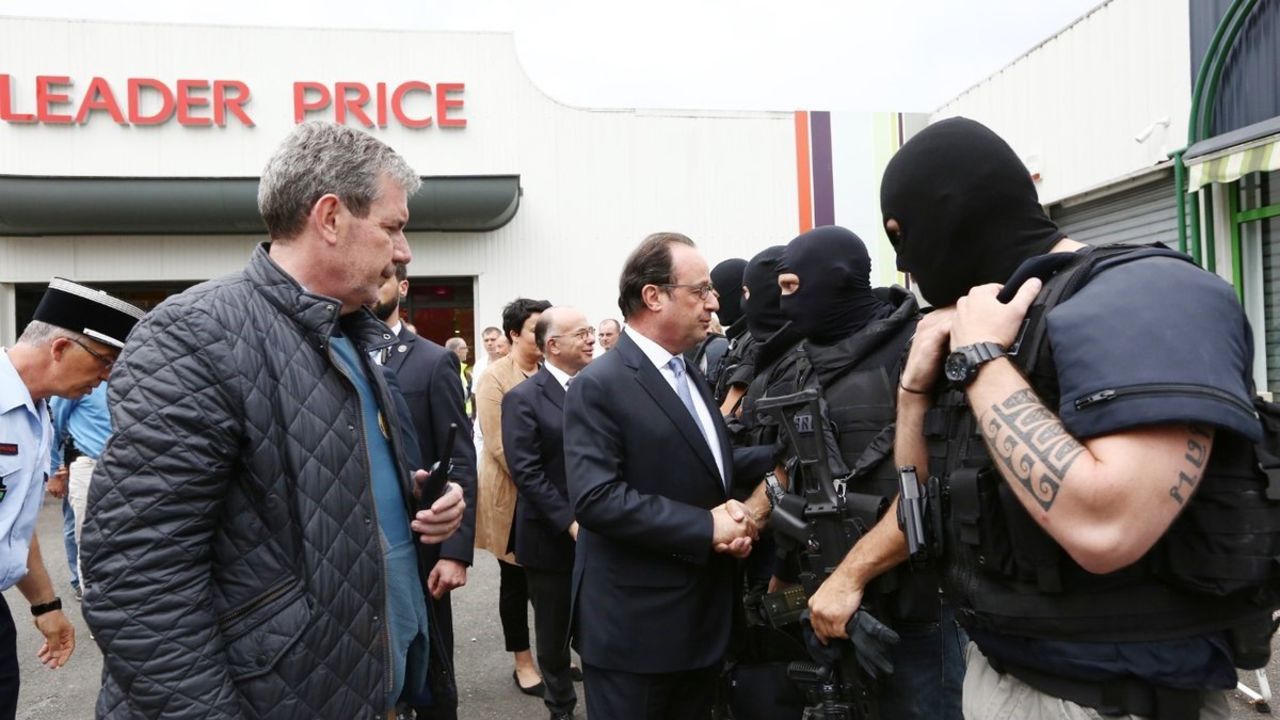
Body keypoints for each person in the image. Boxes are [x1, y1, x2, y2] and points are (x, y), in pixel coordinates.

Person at [812, 117, 1272, 720]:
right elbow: (921, 510)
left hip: (1115, 698)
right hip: (1003, 673)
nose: (903, 262)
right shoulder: (994, 319)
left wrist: (981, 361)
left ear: (954, 211)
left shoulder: (1147, 294)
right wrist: (913, 392)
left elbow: (1109, 525)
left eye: (903, 232)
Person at [82, 122, 467, 720]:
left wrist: (415, 497)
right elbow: (139, 578)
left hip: (374, 688)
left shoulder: (355, 334)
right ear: (331, 217)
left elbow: (314, 485)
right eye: (392, 227)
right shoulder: (195, 334)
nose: (403, 250)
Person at [563, 232, 777, 720]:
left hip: (698, 623)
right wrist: (709, 527)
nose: (713, 302)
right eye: (700, 290)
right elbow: (597, 499)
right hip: (637, 634)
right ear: (653, 296)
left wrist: (783, 454)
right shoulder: (599, 385)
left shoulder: (687, 373)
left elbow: (704, 461)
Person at [775, 226, 964, 718]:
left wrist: (851, 576)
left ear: (834, 280)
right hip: (832, 602)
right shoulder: (798, 364)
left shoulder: (921, 351)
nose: (783, 303)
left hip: (918, 608)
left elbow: (933, 491)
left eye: (792, 287)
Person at [0, 279, 142, 719]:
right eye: (104, 361)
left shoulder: (38, 414)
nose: (106, 378)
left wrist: (45, 604)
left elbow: (16, 526)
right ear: (60, 348)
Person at [372, 265, 478, 720]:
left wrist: (455, 551)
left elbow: (458, 462)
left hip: (420, 546)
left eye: (383, 278)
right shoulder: (332, 351)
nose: (373, 286)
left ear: (403, 286)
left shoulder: (433, 360)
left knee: (431, 676)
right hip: (355, 546)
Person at [502, 306, 596, 720]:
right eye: (582, 333)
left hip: (601, 531)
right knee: (554, 635)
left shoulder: (597, 388)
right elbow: (527, 472)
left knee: (599, 629)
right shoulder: (523, 398)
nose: (591, 339)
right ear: (553, 345)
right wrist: (570, 522)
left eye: (592, 331)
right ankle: (561, 708)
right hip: (550, 536)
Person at [474, 297, 552, 696]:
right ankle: (523, 661)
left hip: (549, 492)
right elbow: (499, 443)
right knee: (516, 581)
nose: (543, 335)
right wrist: (542, 481)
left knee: (550, 579)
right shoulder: (496, 378)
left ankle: (552, 653)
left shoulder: (550, 371)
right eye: (534, 328)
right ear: (513, 334)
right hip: (513, 492)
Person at [48, 381, 111, 598]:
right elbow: (53, 425)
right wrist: (54, 471)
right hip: (84, 463)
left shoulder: (127, 380)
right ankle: (82, 586)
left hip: (120, 468)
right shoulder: (82, 381)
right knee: (82, 532)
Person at [444, 337, 474, 417]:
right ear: (458, 350)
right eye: (465, 348)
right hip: (458, 416)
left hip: (464, 416)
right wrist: (472, 384)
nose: (467, 351)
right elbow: (460, 395)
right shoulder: (451, 369)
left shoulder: (460, 368)